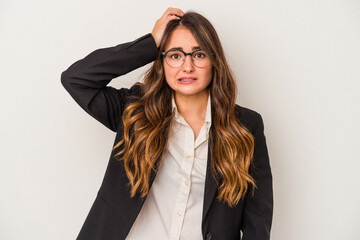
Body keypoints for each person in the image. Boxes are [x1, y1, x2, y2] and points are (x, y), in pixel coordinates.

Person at [61, 8, 273, 240]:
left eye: (199, 54)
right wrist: (150, 44)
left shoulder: (245, 126)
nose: (187, 66)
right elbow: (76, 79)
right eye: (175, 55)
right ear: (162, 62)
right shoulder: (135, 113)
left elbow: (258, 218)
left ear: (214, 61)